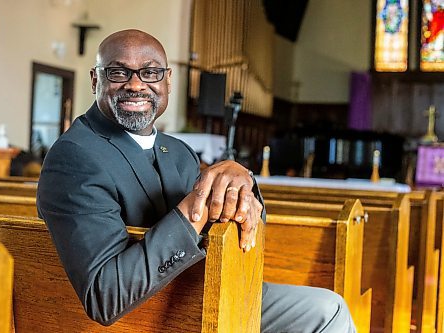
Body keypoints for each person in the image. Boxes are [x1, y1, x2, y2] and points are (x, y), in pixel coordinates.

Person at [37, 29, 356, 332]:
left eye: (150, 72)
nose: (136, 85)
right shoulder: (75, 157)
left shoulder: (177, 151)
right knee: (329, 313)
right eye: (118, 72)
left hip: (204, 289)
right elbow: (105, 295)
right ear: (96, 79)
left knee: (326, 306)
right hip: (154, 314)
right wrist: (194, 211)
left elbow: (246, 231)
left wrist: (239, 184)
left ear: (168, 81)